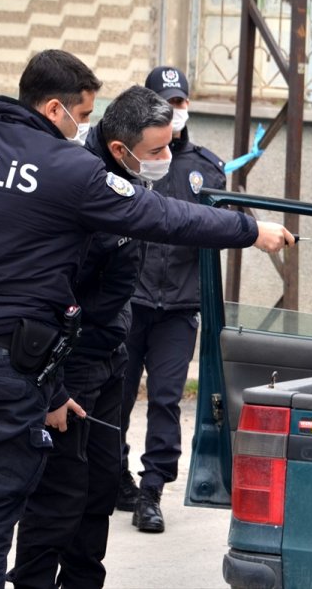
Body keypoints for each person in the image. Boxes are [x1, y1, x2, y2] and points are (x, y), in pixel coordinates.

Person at [0, 49, 293, 589]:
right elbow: (163, 216)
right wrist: (250, 232)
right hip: (6, 375)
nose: (83, 126)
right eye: (84, 114)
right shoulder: (71, 170)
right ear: (53, 109)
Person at [8, 85, 178, 589]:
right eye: (157, 151)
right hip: (70, 360)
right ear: (121, 148)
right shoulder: (79, 185)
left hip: (110, 357)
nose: (166, 159)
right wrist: (53, 386)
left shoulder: (128, 181)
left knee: (100, 487)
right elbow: (46, 290)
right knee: (59, 492)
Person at [116, 66, 226, 533]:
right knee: (113, 398)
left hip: (179, 309)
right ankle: (112, 478)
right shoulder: (128, 161)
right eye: (166, 103)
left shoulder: (206, 168)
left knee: (164, 400)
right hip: (128, 303)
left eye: (181, 102)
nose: (176, 111)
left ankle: (151, 490)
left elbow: (225, 230)